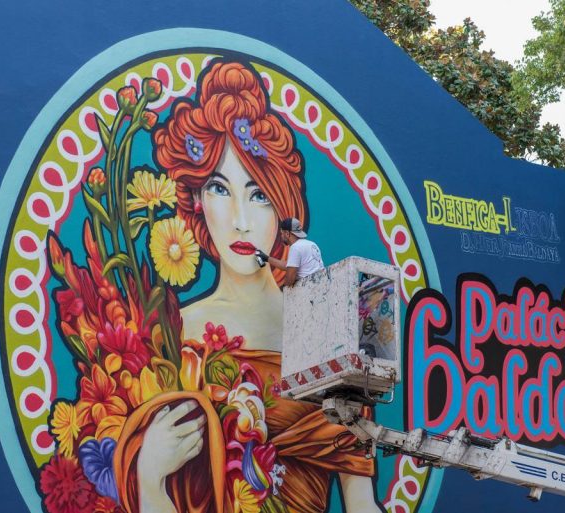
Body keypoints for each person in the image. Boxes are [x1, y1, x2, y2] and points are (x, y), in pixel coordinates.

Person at [113, 60, 383, 513]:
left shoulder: (328, 343)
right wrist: (150, 476)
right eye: (220, 189)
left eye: (259, 195)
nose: (240, 220)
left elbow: (361, 505)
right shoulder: (175, 334)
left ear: (283, 208)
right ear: (197, 200)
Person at [256, 218, 324, 286]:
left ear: (287, 233)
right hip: (320, 284)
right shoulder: (311, 244)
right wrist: (266, 258)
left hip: (309, 287)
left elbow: (290, 279)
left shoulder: (295, 247)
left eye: (282, 233)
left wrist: (285, 288)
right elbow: (289, 265)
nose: (281, 236)